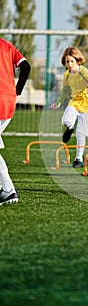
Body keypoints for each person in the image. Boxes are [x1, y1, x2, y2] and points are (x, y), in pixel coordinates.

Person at [51, 46, 88, 168]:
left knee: (81, 133)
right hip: (74, 102)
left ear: (77, 60)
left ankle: (78, 159)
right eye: (67, 61)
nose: (69, 64)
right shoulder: (67, 75)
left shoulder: (83, 71)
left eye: (72, 61)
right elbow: (65, 90)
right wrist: (58, 102)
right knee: (66, 121)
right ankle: (70, 128)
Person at [0, 37, 31, 205]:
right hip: (8, 101)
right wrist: (17, 89)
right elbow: (26, 67)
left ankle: (8, 190)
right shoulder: (7, 46)